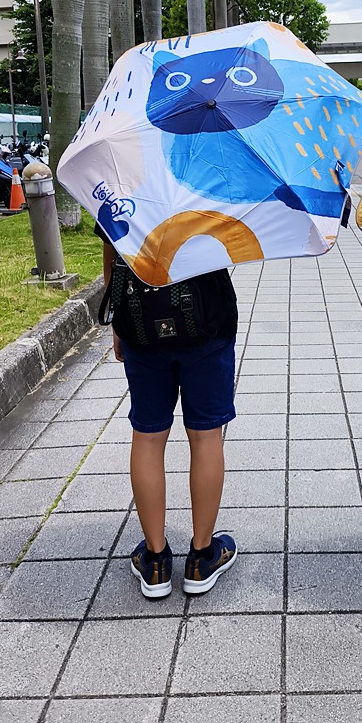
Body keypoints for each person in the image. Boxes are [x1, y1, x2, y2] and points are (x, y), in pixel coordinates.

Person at [98, 225, 239, 599]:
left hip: (140, 325)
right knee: (206, 434)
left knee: (147, 436)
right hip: (208, 322)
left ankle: (156, 561)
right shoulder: (211, 176)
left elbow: (112, 257)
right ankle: (202, 556)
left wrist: (118, 322)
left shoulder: (118, 178)